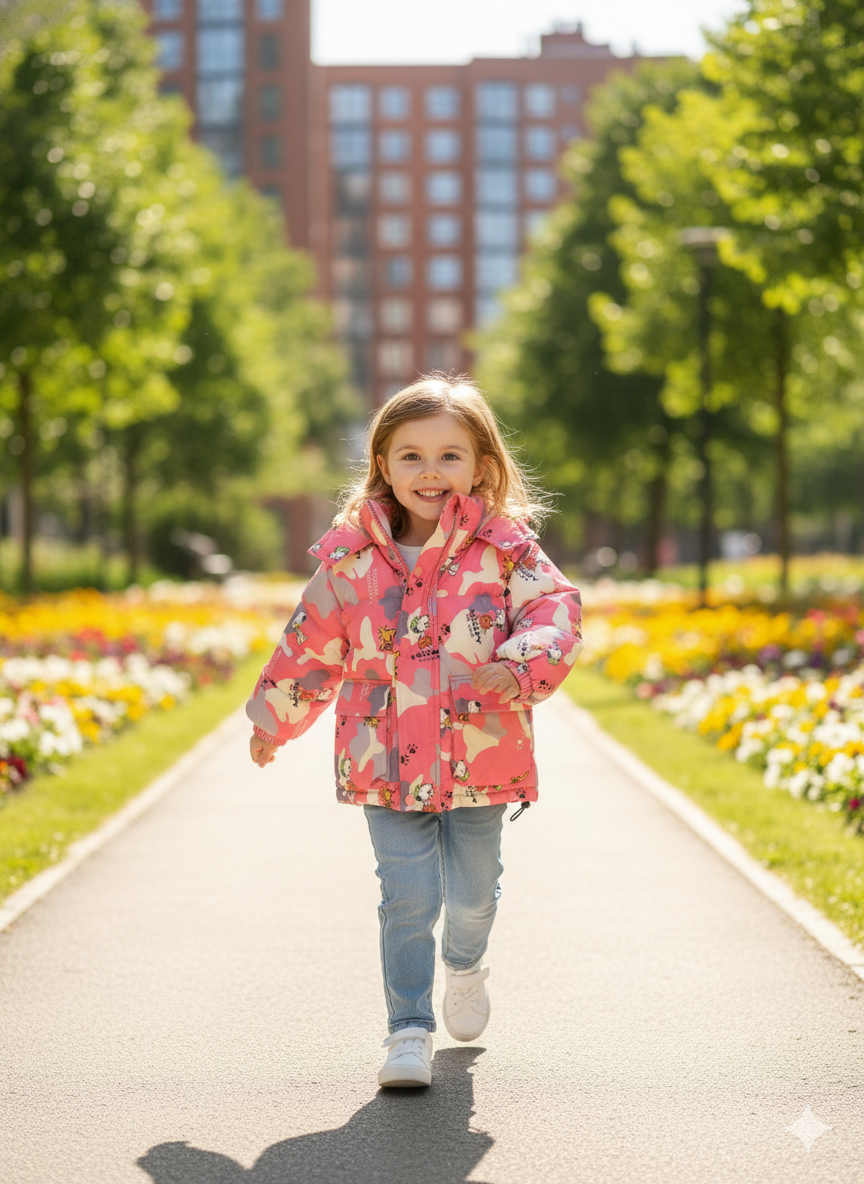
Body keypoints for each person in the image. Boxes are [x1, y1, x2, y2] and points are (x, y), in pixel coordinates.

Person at [247, 376, 583, 1089]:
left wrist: (518, 664)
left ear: (480, 466)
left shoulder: (505, 549)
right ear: (384, 465)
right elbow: (311, 643)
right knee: (407, 897)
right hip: (384, 758)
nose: (431, 471)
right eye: (411, 456)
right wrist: (274, 720)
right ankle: (408, 1029)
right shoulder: (353, 560)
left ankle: (465, 964)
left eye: (449, 456)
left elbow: (554, 610)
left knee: (473, 895)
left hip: (480, 753)